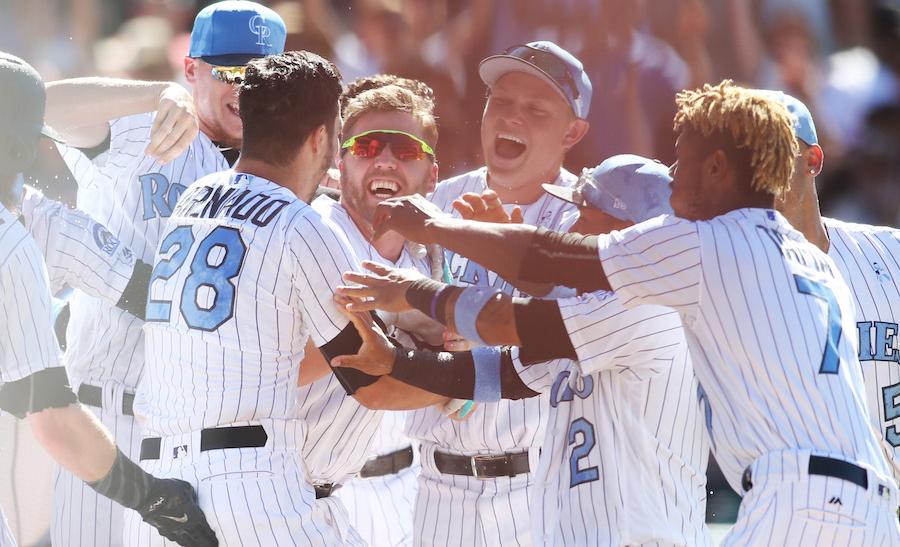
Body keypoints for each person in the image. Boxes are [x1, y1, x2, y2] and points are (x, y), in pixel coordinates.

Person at [336, 80, 900, 545]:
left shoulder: (695, 249)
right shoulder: (805, 257)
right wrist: (394, 360)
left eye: (684, 159)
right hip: (854, 500)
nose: (676, 172)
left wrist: (422, 265)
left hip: (782, 502)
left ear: (719, 168)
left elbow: (539, 287)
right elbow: (505, 371)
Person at [332, 155, 712, 545]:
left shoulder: (649, 306)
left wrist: (415, 288)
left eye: (585, 217)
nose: (572, 229)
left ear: (628, 232)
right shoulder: (597, 307)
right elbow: (498, 375)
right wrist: (398, 361)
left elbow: (507, 321)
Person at [127, 50, 400, 546]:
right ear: (320, 137)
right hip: (247, 485)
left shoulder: (193, 196)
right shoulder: (302, 223)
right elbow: (369, 372)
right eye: (337, 136)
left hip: (156, 491)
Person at [42, 0, 286, 547]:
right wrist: (154, 94)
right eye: (229, 71)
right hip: (108, 416)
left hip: (199, 442)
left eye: (262, 74)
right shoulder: (152, 129)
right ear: (192, 69)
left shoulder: (284, 174)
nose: (245, 87)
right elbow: (34, 104)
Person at [0, 52, 216, 547]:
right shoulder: (12, 240)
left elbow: (143, 292)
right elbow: (51, 415)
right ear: (17, 147)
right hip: (59, 429)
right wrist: (152, 499)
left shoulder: (39, 221)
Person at [407, 39, 590, 546]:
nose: (512, 118)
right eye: (502, 102)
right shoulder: (438, 203)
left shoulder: (585, 220)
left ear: (573, 131)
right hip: (436, 487)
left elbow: (569, 343)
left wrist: (477, 342)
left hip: (540, 489)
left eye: (536, 109)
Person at [300, 74, 445, 546]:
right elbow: (288, 369)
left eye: (405, 150)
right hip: (306, 496)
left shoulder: (437, 257)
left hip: (408, 490)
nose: (385, 160)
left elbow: (461, 399)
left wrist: (460, 378)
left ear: (432, 174)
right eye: (366, 147)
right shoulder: (307, 236)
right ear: (337, 163)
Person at [769, 90, 900, 486]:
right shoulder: (732, 278)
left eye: (772, 152)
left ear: (812, 160)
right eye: (744, 158)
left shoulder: (891, 253)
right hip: (805, 514)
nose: (756, 170)